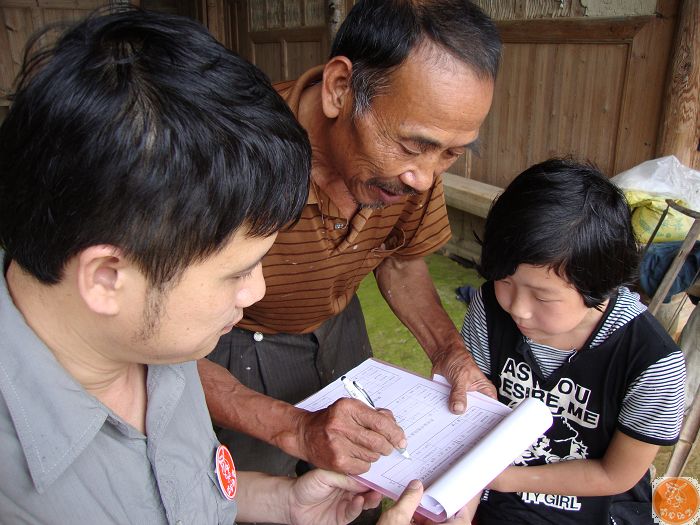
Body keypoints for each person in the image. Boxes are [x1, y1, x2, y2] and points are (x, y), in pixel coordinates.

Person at [0, 7, 445, 524]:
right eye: (237, 272)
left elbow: (178, 490)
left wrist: (283, 502)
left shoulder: (155, 344)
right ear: (105, 278)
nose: (256, 293)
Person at [200, 0, 502, 486]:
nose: (424, 177)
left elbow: (400, 263)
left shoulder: (413, 170)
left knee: (357, 487)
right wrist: (294, 428)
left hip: (339, 331)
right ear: (341, 89)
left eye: (451, 153)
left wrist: (450, 352)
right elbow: (166, 344)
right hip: (232, 344)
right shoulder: (233, 153)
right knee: (262, 495)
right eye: (411, 146)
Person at [459, 158, 687, 524]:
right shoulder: (488, 310)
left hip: (598, 507)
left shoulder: (653, 363)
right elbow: (470, 423)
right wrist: (461, 507)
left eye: (542, 297)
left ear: (600, 285)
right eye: (504, 280)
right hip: (494, 498)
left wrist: (503, 478)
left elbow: (617, 475)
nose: (517, 309)